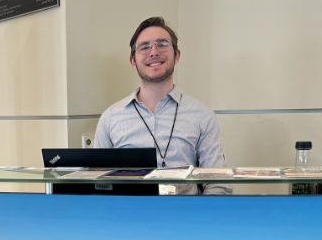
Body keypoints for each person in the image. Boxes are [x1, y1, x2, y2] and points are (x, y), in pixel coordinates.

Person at [93, 16, 229, 194]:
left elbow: (218, 184)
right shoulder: (110, 118)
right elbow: (96, 183)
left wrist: (200, 218)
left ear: (177, 55)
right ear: (133, 61)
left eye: (162, 44)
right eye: (144, 47)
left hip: (186, 216)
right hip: (128, 217)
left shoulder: (202, 115)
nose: (154, 52)